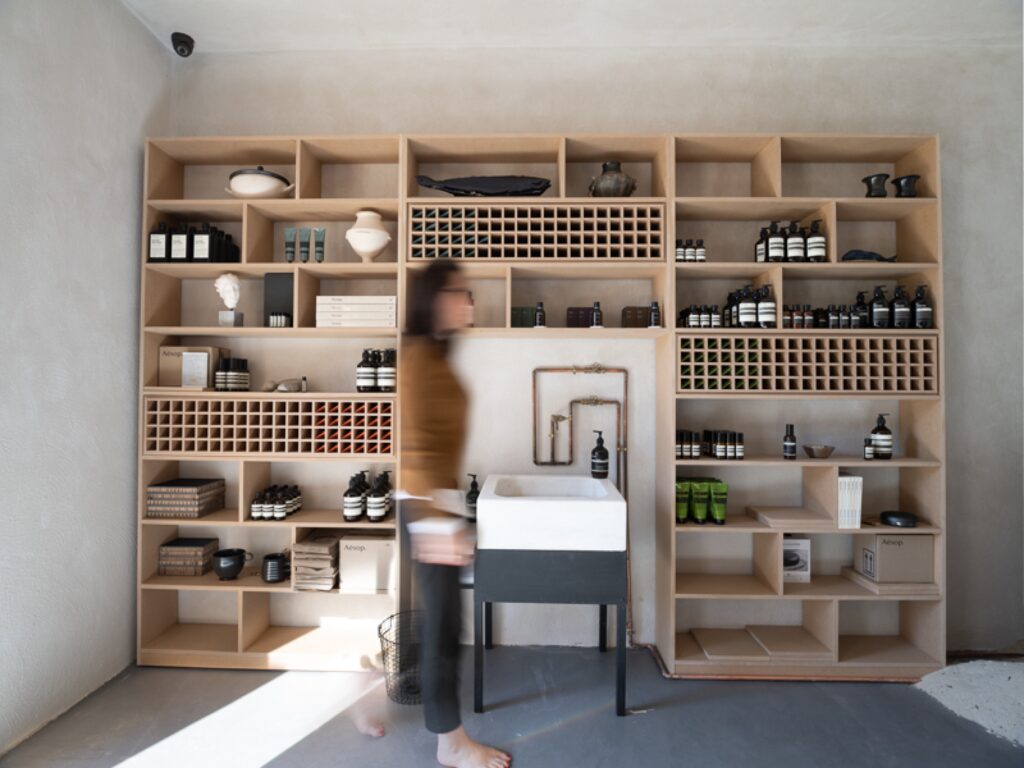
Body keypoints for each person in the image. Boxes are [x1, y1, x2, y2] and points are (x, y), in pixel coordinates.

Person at [399, 261, 511, 768]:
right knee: (445, 628)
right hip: (424, 506)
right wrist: (436, 521)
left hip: (435, 503)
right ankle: (451, 744)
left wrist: (448, 514)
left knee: (444, 624)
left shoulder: (437, 354)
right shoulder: (419, 357)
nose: (469, 302)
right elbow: (415, 444)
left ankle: (367, 698)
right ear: (434, 298)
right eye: (460, 292)